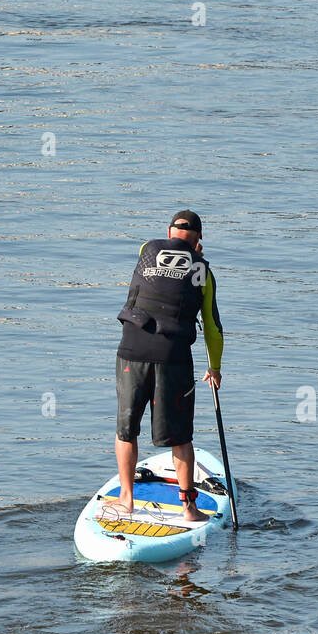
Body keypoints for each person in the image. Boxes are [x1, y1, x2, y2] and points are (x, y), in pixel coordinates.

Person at [114, 210, 223, 523]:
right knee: (179, 436)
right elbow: (212, 328)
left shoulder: (147, 249)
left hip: (131, 351)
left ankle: (126, 499)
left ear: (168, 231)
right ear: (200, 239)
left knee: (126, 429)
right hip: (173, 357)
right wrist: (214, 369)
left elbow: (167, 262)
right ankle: (189, 508)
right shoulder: (203, 270)